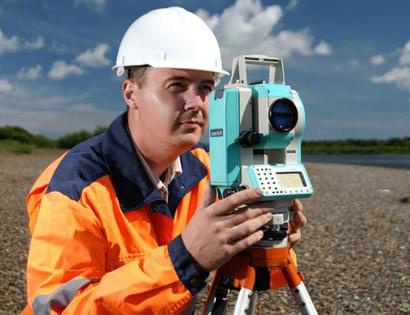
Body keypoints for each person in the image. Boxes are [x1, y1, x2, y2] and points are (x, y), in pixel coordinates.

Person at [23, 7, 306, 314]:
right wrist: (186, 260)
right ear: (131, 93)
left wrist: (262, 237)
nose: (195, 103)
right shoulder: (76, 191)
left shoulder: (210, 170)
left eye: (205, 88)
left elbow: (237, 265)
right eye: (177, 86)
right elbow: (58, 310)